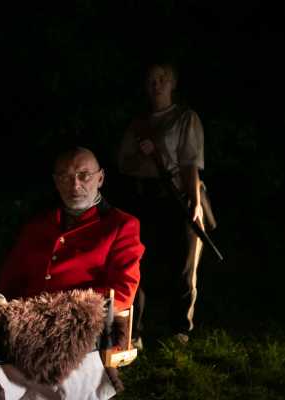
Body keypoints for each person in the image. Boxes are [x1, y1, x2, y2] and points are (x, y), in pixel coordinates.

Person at [117, 62, 205, 343]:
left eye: (163, 79)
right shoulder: (138, 123)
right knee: (137, 263)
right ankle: (134, 330)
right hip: (143, 197)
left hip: (177, 196)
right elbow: (123, 162)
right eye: (152, 80)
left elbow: (190, 163)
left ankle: (180, 328)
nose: (157, 84)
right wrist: (142, 156)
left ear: (173, 84)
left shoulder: (184, 118)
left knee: (184, 263)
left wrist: (195, 202)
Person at [0, 147, 144, 312]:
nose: (75, 185)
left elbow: (123, 292)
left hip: (82, 321)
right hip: (24, 317)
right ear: (56, 182)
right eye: (65, 177)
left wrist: (63, 310)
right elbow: (8, 282)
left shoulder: (121, 225)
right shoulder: (37, 224)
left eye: (84, 175)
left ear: (100, 178)